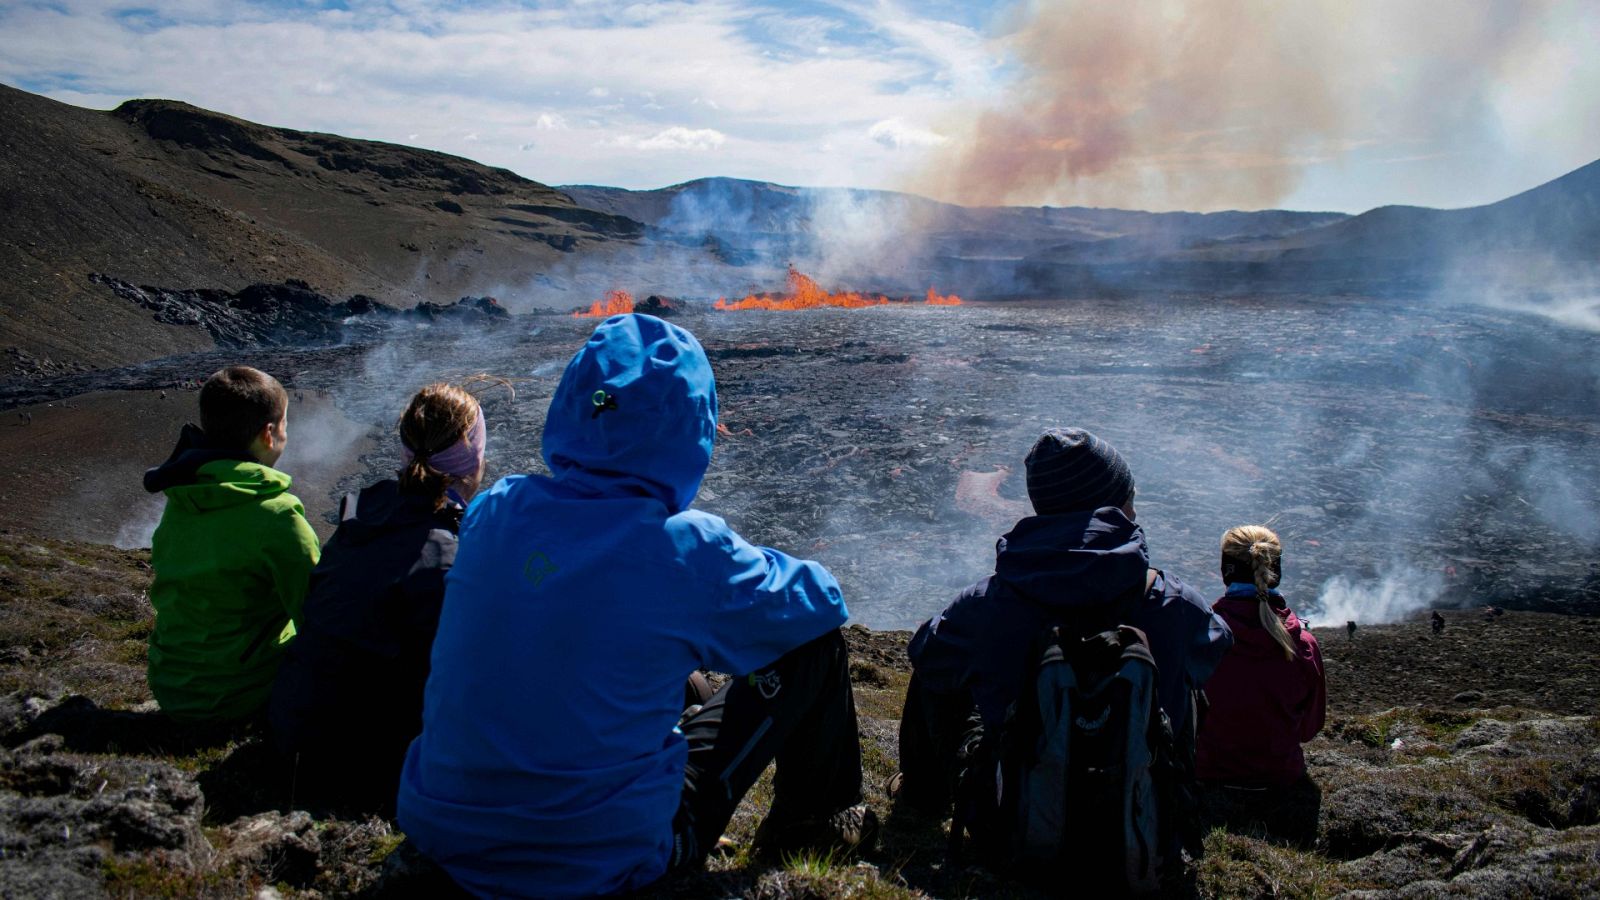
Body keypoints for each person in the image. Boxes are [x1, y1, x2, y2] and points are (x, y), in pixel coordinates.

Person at [396, 314, 873, 898]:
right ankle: (811, 825)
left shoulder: (495, 509)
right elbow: (822, 602)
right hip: (602, 861)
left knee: (661, 666)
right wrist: (740, 562)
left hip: (442, 831)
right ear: (694, 424)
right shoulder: (687, 547)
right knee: (813, 648)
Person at [894, 427, 1233, 820]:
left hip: (1017, 823)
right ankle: (1176, 802)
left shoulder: (987, 603)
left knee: (940, 652)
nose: (1135, 512)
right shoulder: (1170, 599)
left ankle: (921, 798)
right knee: (1189, 675)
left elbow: (927, 654)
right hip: (1139, 826)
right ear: (1113, 507)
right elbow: (1216, 644)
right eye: (1130, 499)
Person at [269, 382, 488, 813]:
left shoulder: (360, 518)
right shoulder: (451, 556)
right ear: (473, 458)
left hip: (294, 734)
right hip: (375, 767)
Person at [142, 365, 319, 723]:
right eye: (285, 425)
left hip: (171, 687)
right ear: (268, 434)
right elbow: (318, 612)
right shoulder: (278, 517)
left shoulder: (182, 500)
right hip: (241, 693)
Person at [1194, 525, 1325, 845]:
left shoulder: (1200, 637)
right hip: (1281, 780)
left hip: (1209, 778)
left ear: (1226, 570)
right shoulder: (1303, 644)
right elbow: (1309, 728)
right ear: (1275, 570)